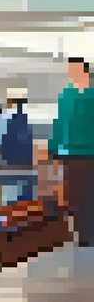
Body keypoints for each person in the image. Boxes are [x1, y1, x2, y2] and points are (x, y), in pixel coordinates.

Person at [51, 57, 94, 246]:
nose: (71, 74)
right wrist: (54, 151)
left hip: (90, 154)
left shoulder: (90, 95)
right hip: (72, 155)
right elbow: (59, 124)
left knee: (89, 194)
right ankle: (83, 235)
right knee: (76, 197)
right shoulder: (66, 96)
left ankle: (88, 233)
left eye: (74, 69)